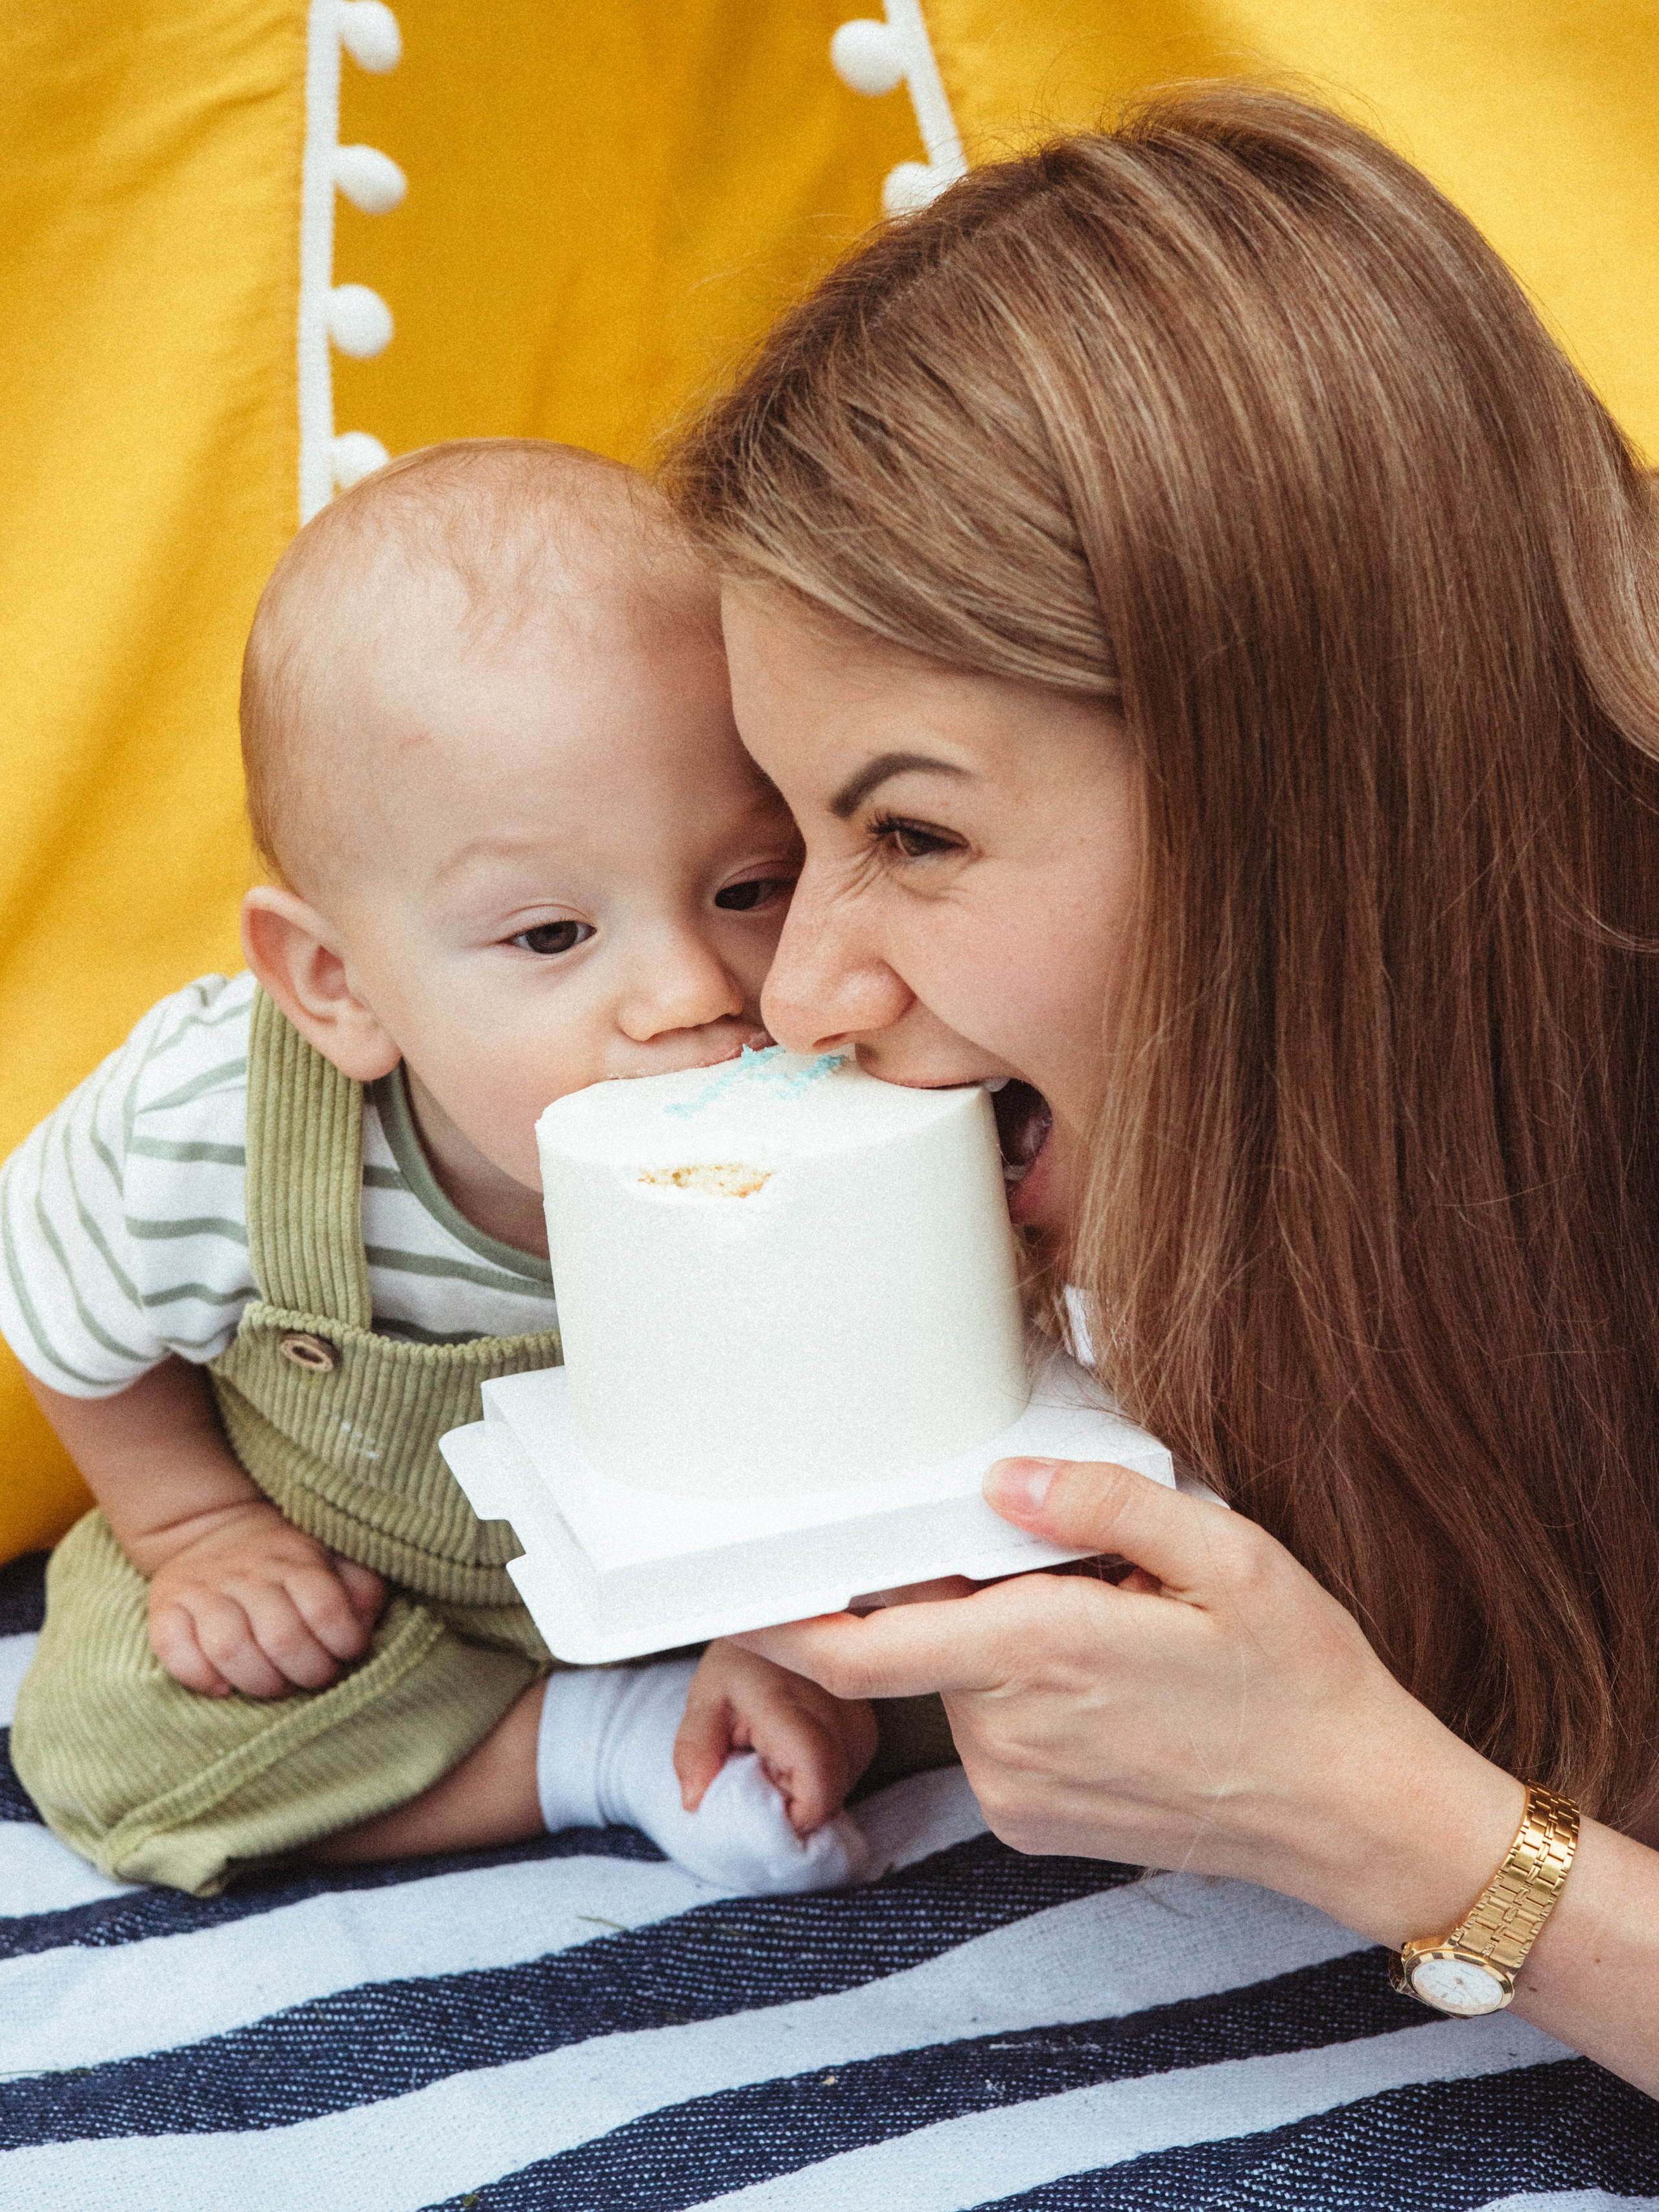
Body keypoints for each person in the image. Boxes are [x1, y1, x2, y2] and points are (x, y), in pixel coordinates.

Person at [666, 87, 1659, 2093]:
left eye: (915, 833)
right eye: (789, 841)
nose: (802, 994)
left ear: (1304, 799)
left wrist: (1391, 1821)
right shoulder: (1316, 1222)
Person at [0, 439, 902, 1897]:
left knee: (1029, 1629)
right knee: (107, 1738)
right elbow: (62, 1302)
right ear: (337, 984)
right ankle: (598, 1749)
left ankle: (770, 1702)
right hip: (384, 1603)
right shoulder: (215, 1121)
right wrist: (198, 1528)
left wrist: (783, 1618)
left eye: (749, 887)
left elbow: (896, 1398)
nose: (689, 990)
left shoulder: (859, 1077)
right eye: (550, 935)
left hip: (750, 1558)